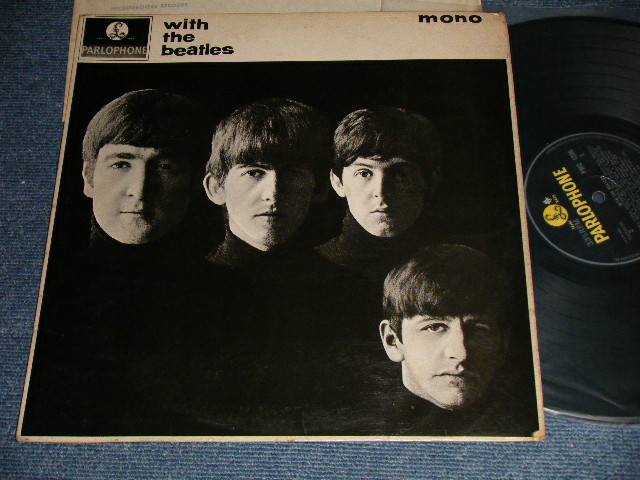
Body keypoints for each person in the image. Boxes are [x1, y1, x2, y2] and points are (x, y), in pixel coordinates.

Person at [22, 89, 245, 436]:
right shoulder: (41, 294)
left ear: (195, 183)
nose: (140, 189)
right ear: (88, 178)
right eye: (121, 164)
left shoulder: (232, 298)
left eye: (165, 166)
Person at [202, 98, 376, 434]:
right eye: (254, 172)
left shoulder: (352, 293)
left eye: (293, 173)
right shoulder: (181, 295)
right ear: (215, 187)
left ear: (318, 188)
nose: (274, 192)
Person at [376, 244, 538, 436]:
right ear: (392, 341)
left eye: (478, 329)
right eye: (434, 327)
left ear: (503, 345)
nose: (461, 354)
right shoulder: (364, 429)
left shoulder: (526, 426)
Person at [318, 107, 442, 287]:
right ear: (337, 182)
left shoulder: (458, 269)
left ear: (432, 181)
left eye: (400, 174)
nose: (381, 191)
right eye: (364, 173)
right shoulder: (306, 269)